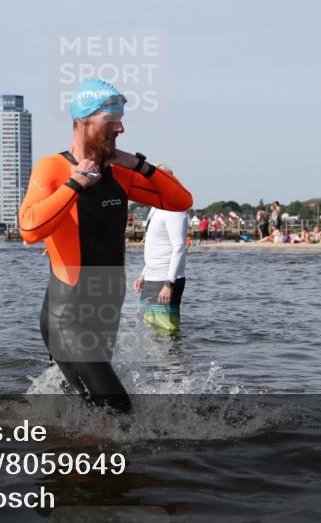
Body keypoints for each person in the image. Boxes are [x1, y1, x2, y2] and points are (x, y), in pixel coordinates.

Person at [19, 79, 192, 414]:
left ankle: (72, 457)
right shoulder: (53, 168)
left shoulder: (118, 173)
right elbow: (29, 230)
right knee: (118, 409)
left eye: (121, 120)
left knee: (91, 412)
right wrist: (74, 184)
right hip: (67, 317)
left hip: (105, 314)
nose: (121, 128)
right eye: (111, 121)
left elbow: (180, 200)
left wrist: (138, 164)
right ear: (83, 121)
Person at [134, 166, 189, 336]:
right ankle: (153, 363)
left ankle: (173, 363)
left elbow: (179, 247)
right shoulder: (155, 208)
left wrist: (169, 284)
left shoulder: (175, 209)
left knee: (167, 332)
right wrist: (144, 273)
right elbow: (156, 245)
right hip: (152, 277)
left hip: (166, 279)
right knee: (147, 328)